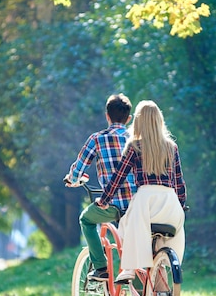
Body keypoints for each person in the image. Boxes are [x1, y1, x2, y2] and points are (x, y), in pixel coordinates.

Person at [95, 100, 186, 284]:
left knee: (125, 225)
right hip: (170, 204)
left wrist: (104, 200)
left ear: (138, 122)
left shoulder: (134, 146)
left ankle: (129, 268)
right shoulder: (171, 147)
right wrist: (182, 205)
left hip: (145, 202)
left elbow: (118, 178)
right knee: (160, 245)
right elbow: (179, 183)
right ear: (160, 121)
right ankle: (161, 293)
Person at [65, 93, 137, 281]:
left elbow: (79, 168)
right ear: (128, 119)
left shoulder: (97, 139)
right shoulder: (137, 139)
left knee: (86, 220)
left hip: (111, 204)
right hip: (137, 204)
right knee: (134, 244)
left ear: (107, 116)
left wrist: (72, 179)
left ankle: (101, 268)